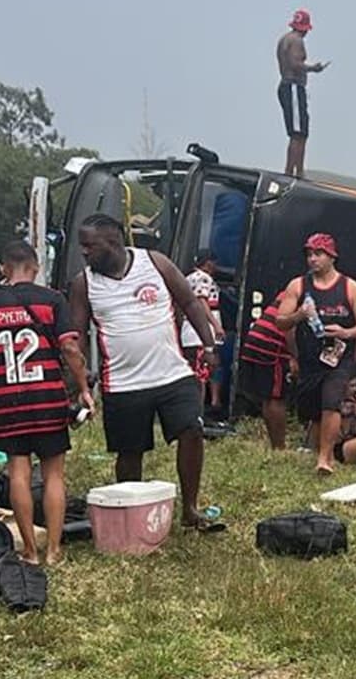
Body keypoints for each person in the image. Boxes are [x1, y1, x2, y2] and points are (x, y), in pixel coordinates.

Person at [68, 214, 225, 533]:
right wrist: (77, 379)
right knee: (130, 452)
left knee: (192, 431)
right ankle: (130, 511)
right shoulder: (84, 284)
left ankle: (190, 508)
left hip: (172, 373)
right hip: (123, 383)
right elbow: (78, 335)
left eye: (89, 246)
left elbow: (191, 303)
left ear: (112, 242)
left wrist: (209, 346)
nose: (83, 252)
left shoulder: (155, 263)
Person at [0, 241, 93, 565]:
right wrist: (83, 388)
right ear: (36, 268)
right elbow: (70, 349)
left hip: (7, 402)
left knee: (18, 473)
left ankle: (30, 551)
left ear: (3, 269)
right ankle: (54, 549)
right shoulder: (52, 300)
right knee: (54, 475)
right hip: (48, 397)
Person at [276, 234, 356, 475]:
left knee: (331, 402)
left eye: (318, 254)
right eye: (309, 255)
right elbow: (280, 321)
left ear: (331, 257)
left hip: (339, 358)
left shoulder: (350, 287)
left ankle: (325, 459)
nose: (312, 259)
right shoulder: (298, 286)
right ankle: (317, 450)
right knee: (313, 409)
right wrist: (299, 316)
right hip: (310, 357)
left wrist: (347, 332)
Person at [239, 291, 295, 449]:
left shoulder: (292, 288)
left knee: (270, 397)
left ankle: (275, 444)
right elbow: (289, 327)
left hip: (257, 338)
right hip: (272, 346)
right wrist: (294, 355)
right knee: (277, 398)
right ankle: (279, 446)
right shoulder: (304, 292)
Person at [277, 8, 328, 177]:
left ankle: (295, 170)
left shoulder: (284, 39)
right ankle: (294, 172)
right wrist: (313, 68)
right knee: (298, 133)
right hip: (293, 86)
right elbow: (295, 63)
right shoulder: (296, 41)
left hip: (288, 86)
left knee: (299, 132)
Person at [179, 249, 225, 418]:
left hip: (190, 333)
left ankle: (209, 406)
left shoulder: (188, 278)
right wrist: (216, 325)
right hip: (199, 334)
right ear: (208, 263)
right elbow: (201, 301)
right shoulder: (203, 278)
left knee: (204, 370)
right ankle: (196, 414)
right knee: (200, 374)